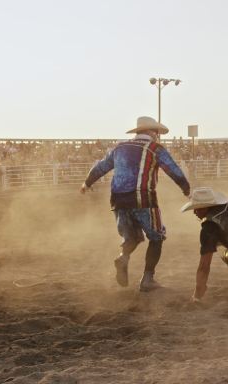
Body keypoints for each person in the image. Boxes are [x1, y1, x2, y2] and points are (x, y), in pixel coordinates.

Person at [80, 116, 190, 292]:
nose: (157, 136)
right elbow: (172, 169)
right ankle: (147, 279)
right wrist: (186, 188)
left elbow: (101, 166)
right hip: (143, 198)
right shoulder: (155, 149)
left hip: (118, 200)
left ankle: (123, 257)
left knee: (132, 237)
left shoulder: (119, 147)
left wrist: (87, 183)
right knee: (157, 236)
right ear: (150, 131)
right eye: (156, 132)